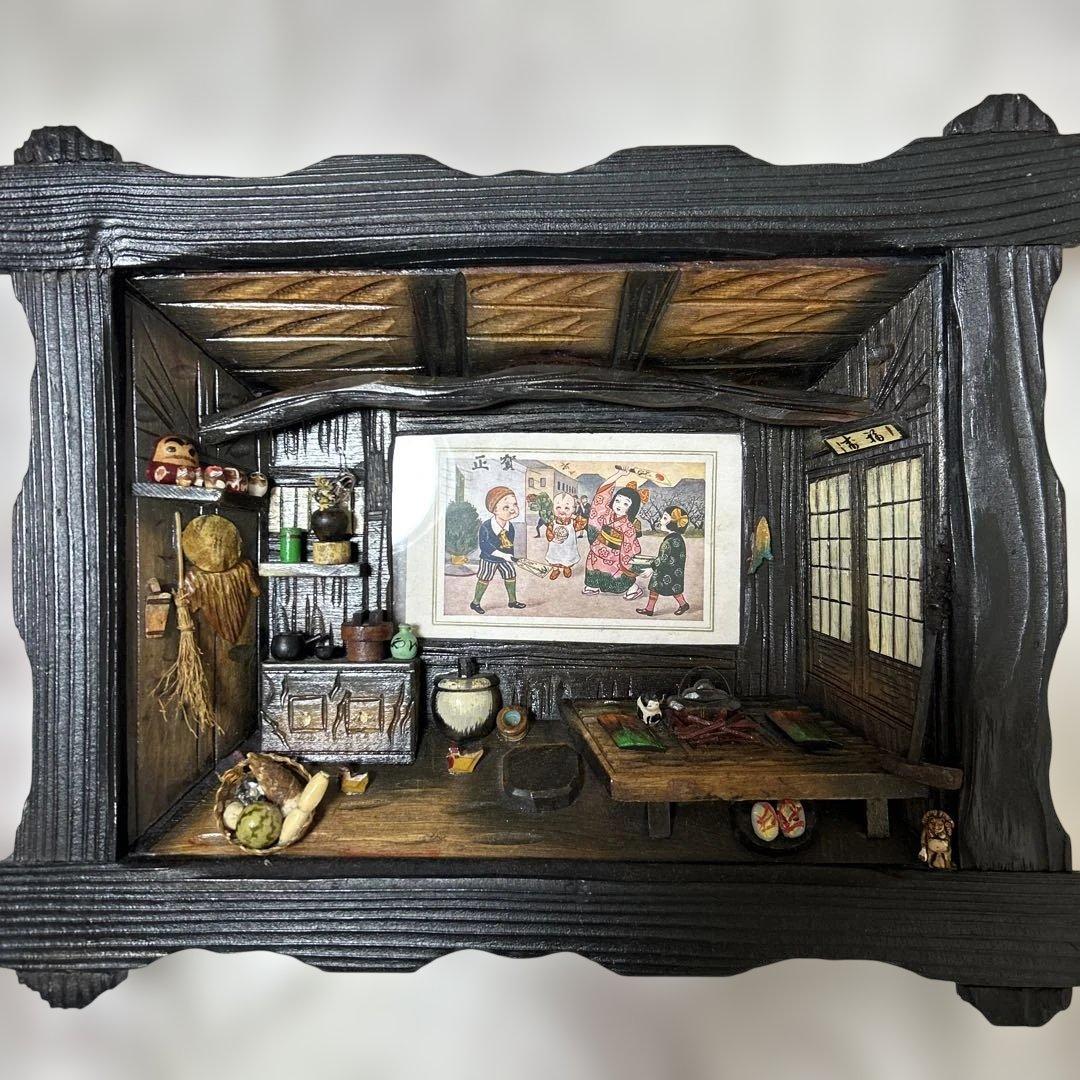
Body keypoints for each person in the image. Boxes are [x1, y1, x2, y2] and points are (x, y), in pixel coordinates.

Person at [583, 476, 645, 601]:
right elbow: (600, 500)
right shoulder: (607, 514)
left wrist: (626, 557)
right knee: (593, 564)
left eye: (625, 503)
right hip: (598, 549)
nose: (619, 505)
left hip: (615, 556)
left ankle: (633, 588)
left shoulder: (628, 526)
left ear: (632, 507)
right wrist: (618, 474)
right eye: (617, 500)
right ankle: (593, 586)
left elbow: (630, 545)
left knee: (617, 572)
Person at [471, 486, 527, 614]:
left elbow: (510, 544)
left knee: (510, 575)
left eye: (515, 504)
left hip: (505, 558)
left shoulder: (510, 526)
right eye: (506, 507)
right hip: (489, 558)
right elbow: (485, 546)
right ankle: (475, 602)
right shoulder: (486, 526)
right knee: (484, 578)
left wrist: (511, 557)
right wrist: (504, 555)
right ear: (494, 510)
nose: (512, 509)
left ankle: (512, 601)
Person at [636, 505, 691, 616]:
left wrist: (651, 569)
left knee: (673, 590)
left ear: (673, 523)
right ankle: (649, 609)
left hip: (668, 570)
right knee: (656, 588)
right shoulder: (677, 538)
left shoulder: (669, 541)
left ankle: (683, 604)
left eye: (665, 518)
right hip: (672, 569)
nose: (660, 520)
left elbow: (663, 558)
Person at [545, 491, 587, 579]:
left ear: (573, 509)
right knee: (555, 557)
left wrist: (574, 517)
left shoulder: (572, 523)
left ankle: (567, 568)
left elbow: (584, 522)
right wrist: (552, 538)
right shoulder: (553, 523)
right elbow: (549, 532)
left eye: (567, 508)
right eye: (558, 507)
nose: (562, 511)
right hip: (555, 547)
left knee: (567, 558)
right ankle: (555, 570)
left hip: (568, 547)